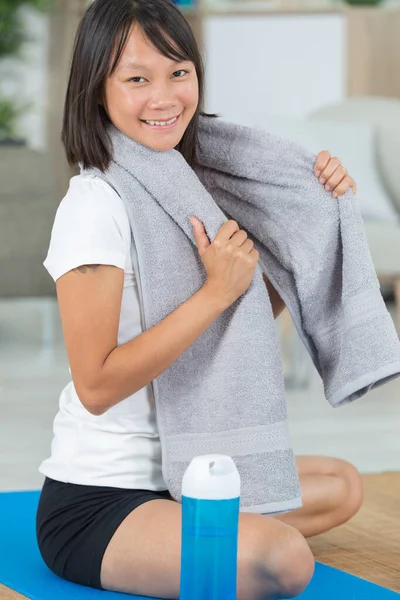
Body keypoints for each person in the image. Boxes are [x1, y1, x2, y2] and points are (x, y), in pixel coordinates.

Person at [36, 0, 363, 598]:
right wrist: (216, 292)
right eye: (137, 79)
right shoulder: (94, 205)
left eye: (178, 72)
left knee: (344, 484)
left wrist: (307, 225)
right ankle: (198, 537)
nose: (164, 98)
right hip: (103, 502)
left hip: (195, 468)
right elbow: (97, 385)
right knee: (284, 560)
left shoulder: (190, 188)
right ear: (95, 90)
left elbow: (228, 326)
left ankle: (196, 527)